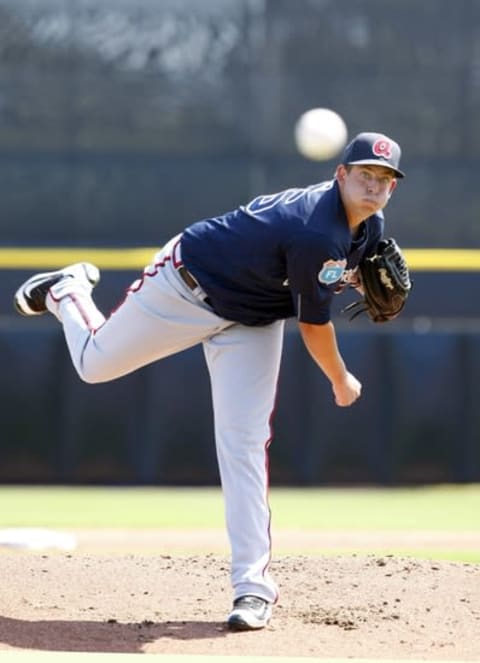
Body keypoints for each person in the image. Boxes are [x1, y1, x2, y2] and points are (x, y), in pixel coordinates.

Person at [13, 131, 405, 631]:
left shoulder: (368, 227)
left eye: (385, 179)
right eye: (365, 175)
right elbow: (313, 326)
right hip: (186, 287)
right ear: (341, 175)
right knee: (94, 365)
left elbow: (320, 280)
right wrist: (341, 378)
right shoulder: (316, 234)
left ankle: (252, 589)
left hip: (253, 317)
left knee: (243, 443)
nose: (374, 187)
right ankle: (68, 292)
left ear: (393, 189)